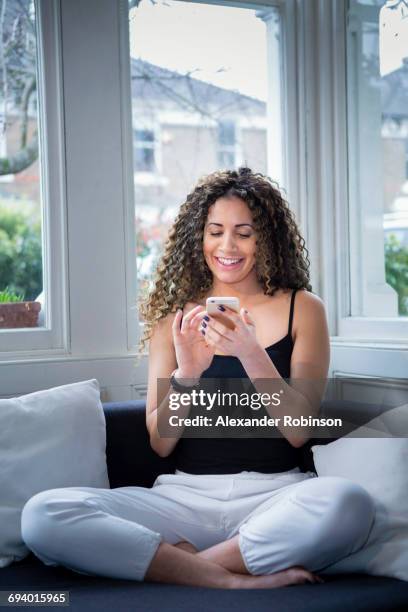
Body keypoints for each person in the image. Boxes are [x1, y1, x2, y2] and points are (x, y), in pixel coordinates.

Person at [21, 168, 375, 590]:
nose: (227, 246)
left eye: (244, 232)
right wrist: (188, 372)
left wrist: (250, 352)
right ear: (199, 237)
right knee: (44, 513)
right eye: (215, 231)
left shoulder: (305, 309)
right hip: (182, 500)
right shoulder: (174, 318)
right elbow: (160, 441)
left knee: (350, 504)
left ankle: (186, 567)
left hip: (274, 497)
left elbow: (299, 431)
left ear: (267, 238)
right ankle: (230, 579)